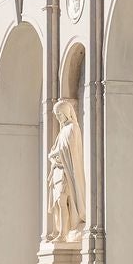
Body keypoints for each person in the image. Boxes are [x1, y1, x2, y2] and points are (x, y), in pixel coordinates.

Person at [46, 98, 84, 241]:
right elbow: (56, 149)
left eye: (60, 114)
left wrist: (54, 154)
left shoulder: (72, 128)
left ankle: (63, 233)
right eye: (56, 115)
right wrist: (53, 155)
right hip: (57, 171)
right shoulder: (63, 131)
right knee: (58, 203)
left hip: (66, 172)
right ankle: (60, 231)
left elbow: (70, 150)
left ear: (66, 113)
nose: (58, 118)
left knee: (62, 201)